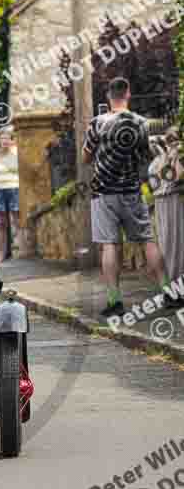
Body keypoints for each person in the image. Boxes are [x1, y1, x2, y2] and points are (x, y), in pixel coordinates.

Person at [82, 77, 169, 318]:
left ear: (109, 96)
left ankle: (115, 301)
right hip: (131, 191)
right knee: (147, 240)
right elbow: (144, 155)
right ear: (128, 94)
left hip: (103, 193)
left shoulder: (98, 123)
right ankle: (167, 292)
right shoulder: (140, 123)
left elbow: (85, 158)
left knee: (109, 244)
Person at [148, 126, 184, 297]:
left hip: (173, 202)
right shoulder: (158, 161)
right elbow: (164, 178)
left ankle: (175, 287)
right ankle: (171, 288)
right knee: (168, 244)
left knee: (175, 244)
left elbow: (176, 177)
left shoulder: (175, 158)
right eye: (170, 141)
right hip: (166, 204)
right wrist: (168, 155)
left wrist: (174, 156)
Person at [0, 125, 20, 263]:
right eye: (2, 138)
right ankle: (0, 255)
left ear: (11, 140)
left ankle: (19, 251)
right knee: (1, 223)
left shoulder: (17, 152)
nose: (4, 141)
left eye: (7, 138)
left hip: (14, 187)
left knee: (16, 219)